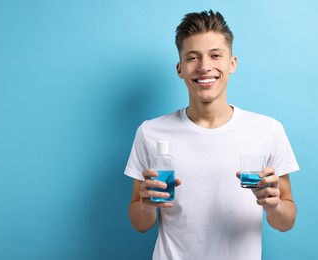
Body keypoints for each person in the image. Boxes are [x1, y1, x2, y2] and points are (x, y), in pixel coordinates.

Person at [124, 10, 299, 260]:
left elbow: (286, 221)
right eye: (192, 57)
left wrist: (274, 206)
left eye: (215, 55)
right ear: (180, 68)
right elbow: (140, 223)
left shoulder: (267, 130)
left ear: (232, 63)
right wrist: (146, 206)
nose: (205, 67)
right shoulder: (150, 132)